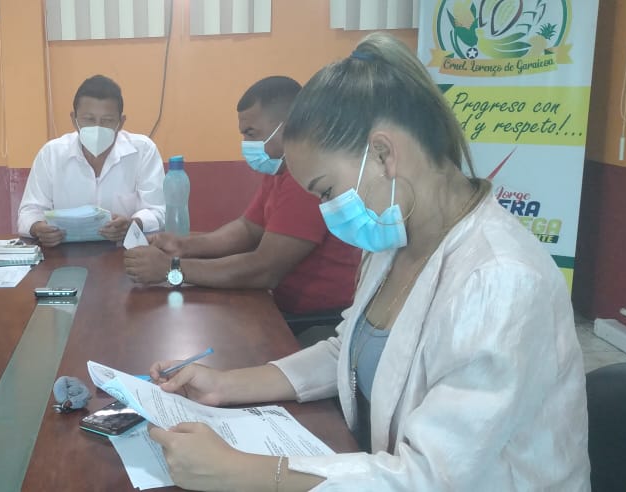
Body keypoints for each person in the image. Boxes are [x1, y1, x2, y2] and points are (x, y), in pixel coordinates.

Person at [144, 33, 589, 491]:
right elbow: (350, 353)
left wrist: (242, 471)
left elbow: (431, 477)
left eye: (326, 191)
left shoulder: (500, 280)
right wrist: (225, 385)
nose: (325, 210)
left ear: (383, 154)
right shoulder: (395, 239)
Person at [124, 77, 359, 317]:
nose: (246, 144)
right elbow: (247, 229)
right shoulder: (279, 169)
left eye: (251, 133)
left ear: (289, 126)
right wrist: (182, 246)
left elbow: (264, 269)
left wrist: (171, 268)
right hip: (280, 305)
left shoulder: (308, 178)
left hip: (317, 319)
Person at [18, 75, 165, 247]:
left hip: (126, 252)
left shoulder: (143, 151)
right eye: (89, 119)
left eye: (107, 120)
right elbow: (29, 212)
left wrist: (133, 224)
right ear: (74, 119)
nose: (98, 127)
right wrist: (38, 228)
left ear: (121, 122)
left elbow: (159, 210)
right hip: (62, 254)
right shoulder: (51, 154)